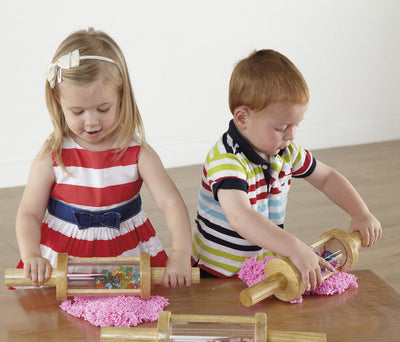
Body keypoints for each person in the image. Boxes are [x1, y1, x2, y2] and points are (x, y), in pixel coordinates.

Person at [16, 28, 192, 288]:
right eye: (77, 111)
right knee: (56, 316)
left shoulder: (138, 154)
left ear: (121, 96)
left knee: (127, 309)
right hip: (63, 253)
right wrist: (31, 254)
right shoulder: (53, 156)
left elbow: (172, 204)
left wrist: (180, 254)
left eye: (103, 108)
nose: (91, 121)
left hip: (124, 250)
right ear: (58, 101)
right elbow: (29, 213)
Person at [192, 49, 382, 291]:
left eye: (297, 125)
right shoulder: (226, 160)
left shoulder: (285, 150)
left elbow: (326, 178)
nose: (292, 135)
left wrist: (360, 211)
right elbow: (241, 217)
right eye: (282, 127)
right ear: (242, 118)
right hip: (217, 274)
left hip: (264, 265)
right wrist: (295, 247)